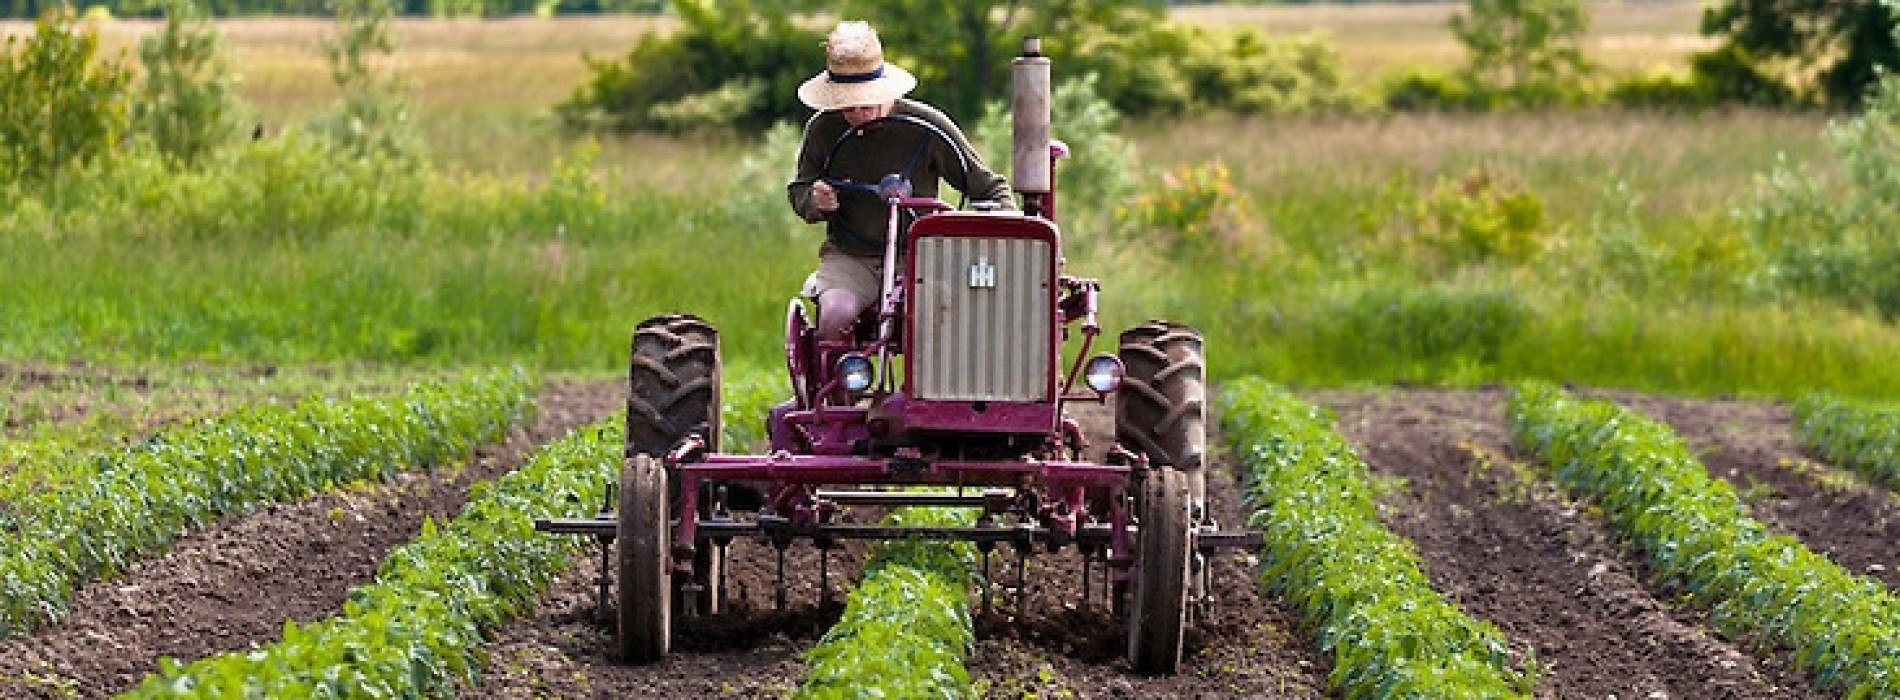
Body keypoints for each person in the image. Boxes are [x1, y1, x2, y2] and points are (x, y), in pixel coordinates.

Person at [787, 20, 1014, 345]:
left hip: (923, 256)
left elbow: (989, 188)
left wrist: (1003, 230)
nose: (859, 113)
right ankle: (841, 390)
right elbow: (800, 190)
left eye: (866, 102)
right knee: (835, 314)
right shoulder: (823, 130)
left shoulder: (926, 126)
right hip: (852, 256)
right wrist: (815, 200)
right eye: (847, 105)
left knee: (936, 313)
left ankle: (931, 394)